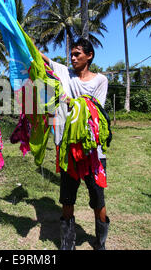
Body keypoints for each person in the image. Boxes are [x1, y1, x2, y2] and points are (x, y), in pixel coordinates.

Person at [41, 38, 110, 250]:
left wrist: (72, 102)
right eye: (71, 54)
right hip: (68, 148)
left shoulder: (100, 81)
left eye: (77, 54)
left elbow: (95, 109)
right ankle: (67, 244)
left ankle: (100, 242)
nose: (72, 58)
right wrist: (14, 27)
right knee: (67, 198)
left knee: (97, 197)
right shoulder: (65, 74)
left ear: (89, 56)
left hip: (92, 150)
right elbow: (42, 58)